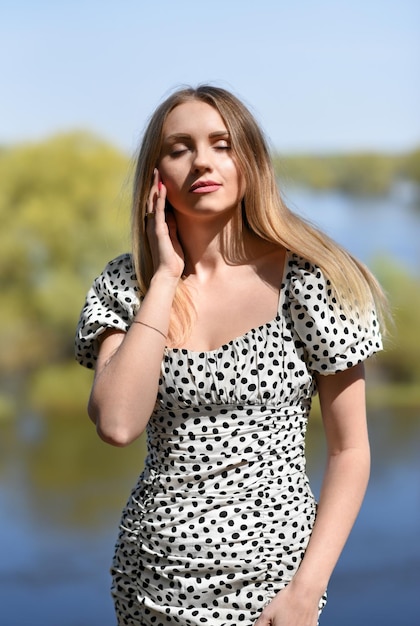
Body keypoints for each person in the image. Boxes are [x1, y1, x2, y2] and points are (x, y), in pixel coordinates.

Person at [75, 85, 387, 626]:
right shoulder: (127, 285)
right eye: (179, 148)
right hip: (151, 581)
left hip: (273, 589)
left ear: (249, 161)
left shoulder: (311, 281)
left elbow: (350, 452)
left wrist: (305, 593)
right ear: (156, 177)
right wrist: (166, 277)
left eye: (222, 144)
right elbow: (119, 424)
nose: (202, 161)